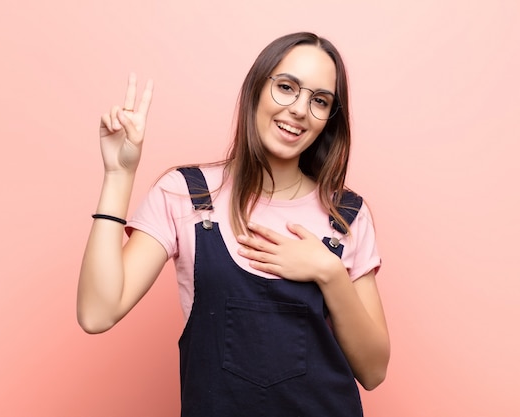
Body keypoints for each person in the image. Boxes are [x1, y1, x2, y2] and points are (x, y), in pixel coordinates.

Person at [77, 32, 390, 417]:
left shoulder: (346, 216)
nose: (299, 109)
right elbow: (96, 313)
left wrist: (329, 272)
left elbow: (374, 371)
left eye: (319, 101)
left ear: (328, 119)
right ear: (256, 89)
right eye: (287, 87)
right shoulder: (187, 196)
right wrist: (119, 173)